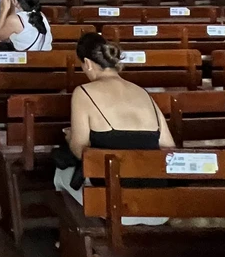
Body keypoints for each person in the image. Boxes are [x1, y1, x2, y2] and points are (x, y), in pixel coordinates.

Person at [53, 32, 173, 221]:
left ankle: (76, 233)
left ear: (88, 63)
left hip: (114, 207)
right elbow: (169, 147)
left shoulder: (83, 92)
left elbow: (80, 150)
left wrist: (70, 138)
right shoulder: (143, 93)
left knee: (62, 173)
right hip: (156, 208)